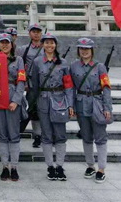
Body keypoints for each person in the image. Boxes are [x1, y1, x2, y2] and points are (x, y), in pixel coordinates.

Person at [31, 33, 74, 181]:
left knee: (60, 134)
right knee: (46, 134)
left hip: (60, 100)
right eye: (47, 43)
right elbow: (35, 85)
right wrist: (32, 103)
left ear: (56, 45)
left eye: (52, 43)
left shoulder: (63, 63)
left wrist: (70, 104)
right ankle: (50, 166)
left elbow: (68, 85)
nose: (49, 45)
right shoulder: (37, 62)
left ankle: (60, 166)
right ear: (43, 44)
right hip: (43, 100)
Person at [70, 37, 112, 183]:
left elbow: (106, 88)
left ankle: (101, 168)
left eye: (87, 49)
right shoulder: (73, 66)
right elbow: (72, 88)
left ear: (92, 50)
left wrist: (107, 108)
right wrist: (72, 105)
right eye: (82, 49)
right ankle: (90, 165)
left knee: (100, 137)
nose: (84, 51)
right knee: (86, 136)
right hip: (81, 104)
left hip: (97, 104)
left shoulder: (100, 67)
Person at [0, 33, 26, 182]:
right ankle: (4, 166)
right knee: (1, 134)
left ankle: (14, 167)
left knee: (13, 134)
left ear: (11, 45)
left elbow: (21, 81)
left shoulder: (18, 60)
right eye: (2, 43)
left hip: (13, 96)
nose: (5, 45)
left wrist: (16, 100)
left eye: (7, 43)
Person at [17, 23, 44, 148]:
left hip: (45, 84)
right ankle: (37, 135)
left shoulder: (47, 48)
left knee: (45, 110)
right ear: (29, 33)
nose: (36, 33)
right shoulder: (23, 49)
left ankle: (48, 134)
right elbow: (21, 68)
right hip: (31, 84)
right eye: (33, 31)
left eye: (38, 31)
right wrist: (25, 83)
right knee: (33, 111)